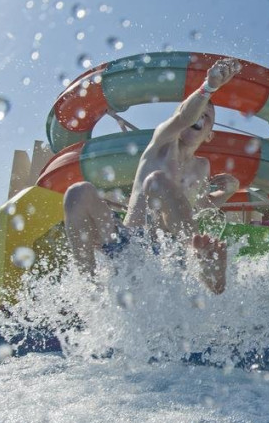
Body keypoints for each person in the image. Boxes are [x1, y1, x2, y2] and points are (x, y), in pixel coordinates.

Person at [63, 57, 242, 294]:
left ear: (209, 135)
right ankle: (89, 288)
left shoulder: (201, 167)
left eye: (206, 117)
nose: (199, 116)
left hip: (167, 252)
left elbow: (199, 206)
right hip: (128, 245)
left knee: (160, 184)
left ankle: (202, 263)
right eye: (196, 112)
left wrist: (228, 192)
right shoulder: (162, 142)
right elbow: (185, 117)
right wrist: (208, 87)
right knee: (79, 193)